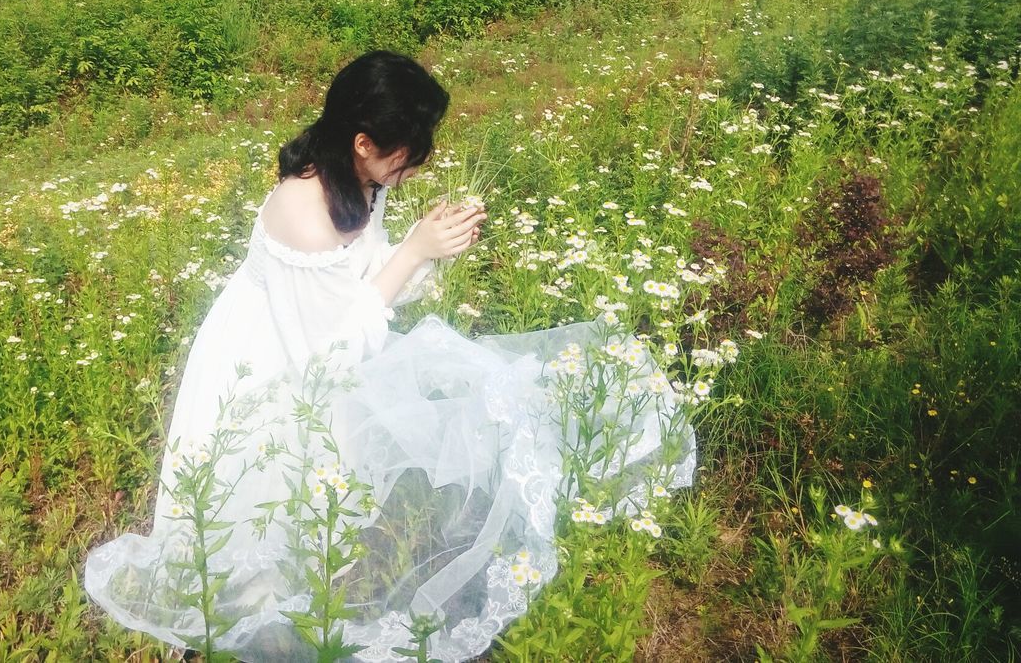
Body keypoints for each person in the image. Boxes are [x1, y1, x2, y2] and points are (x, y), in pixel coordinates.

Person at [85, 51, 695, 662]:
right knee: (256, 511)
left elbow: (363, 284)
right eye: (407, 151)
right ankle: (236, 634)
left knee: (317, 507)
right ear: (360, 141)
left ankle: (296, 604)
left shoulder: (360, 180)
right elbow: (329, 357)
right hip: (270, 360)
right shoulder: (301, 209)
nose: (414, 166)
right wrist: (413, 253)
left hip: (321, 344)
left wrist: (427, 245)